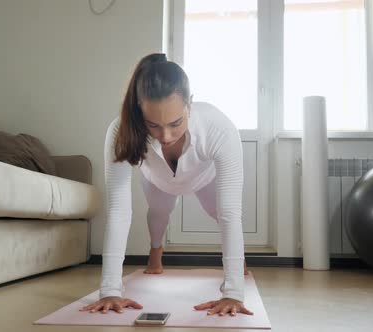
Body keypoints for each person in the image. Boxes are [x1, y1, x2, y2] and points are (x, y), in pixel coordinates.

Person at [79, 53, 252, 317]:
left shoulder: (219, 128)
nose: (166, 136)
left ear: (189, 105)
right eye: (153, 126)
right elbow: (118, 212)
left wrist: (233, 293)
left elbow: (231, 214)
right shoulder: (120, 131)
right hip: (157, 179)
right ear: (139, 109)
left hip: (202, 176)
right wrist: (110, 290)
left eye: (175, 123)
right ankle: (155, 252)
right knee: (158, 215)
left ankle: (238, 264)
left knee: (219, 213)